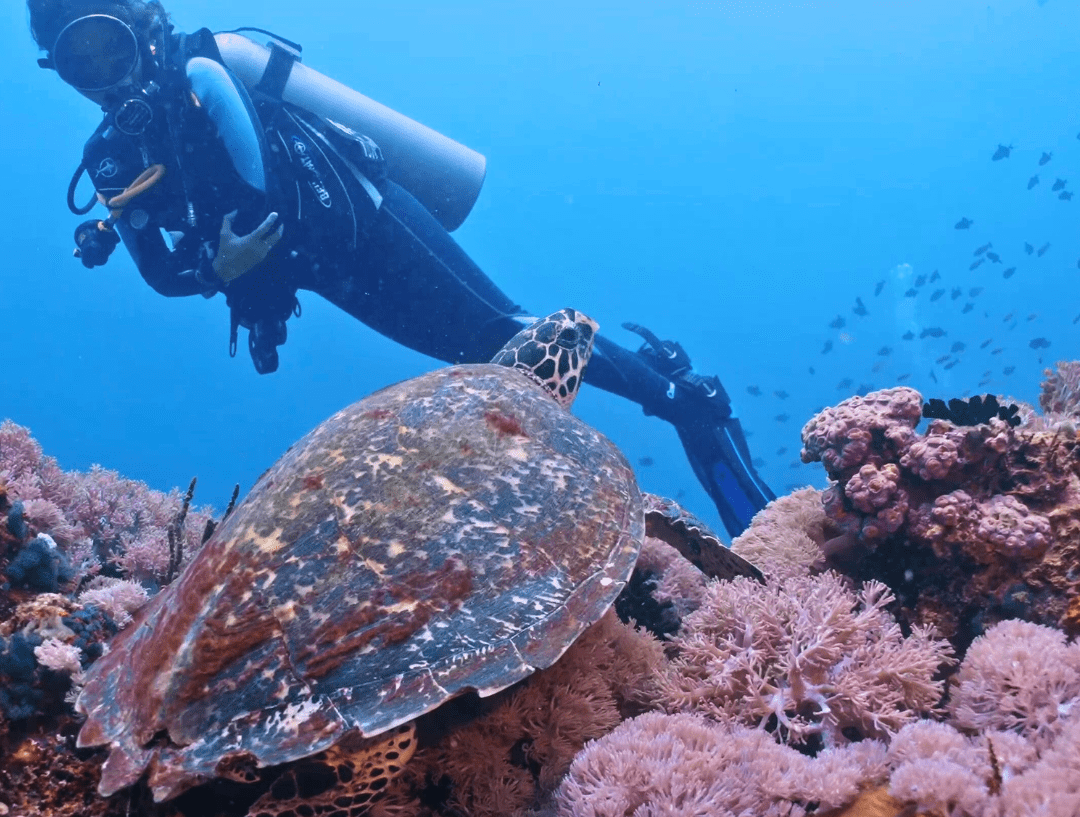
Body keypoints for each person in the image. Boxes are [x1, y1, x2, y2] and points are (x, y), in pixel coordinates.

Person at [28, 0, 774, 537]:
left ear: (142, 25)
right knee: (479, 357)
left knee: (499, 332)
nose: (101, 76)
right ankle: (664, 385)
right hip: (327, 272)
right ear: (57, 70)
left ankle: (682, 396)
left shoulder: (203, 72)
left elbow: (261, 192)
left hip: (366, 224)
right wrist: (217, 270)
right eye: (76, 62)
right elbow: (160, 274)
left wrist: (233, 257)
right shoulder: (114, 157)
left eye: (106, 46)